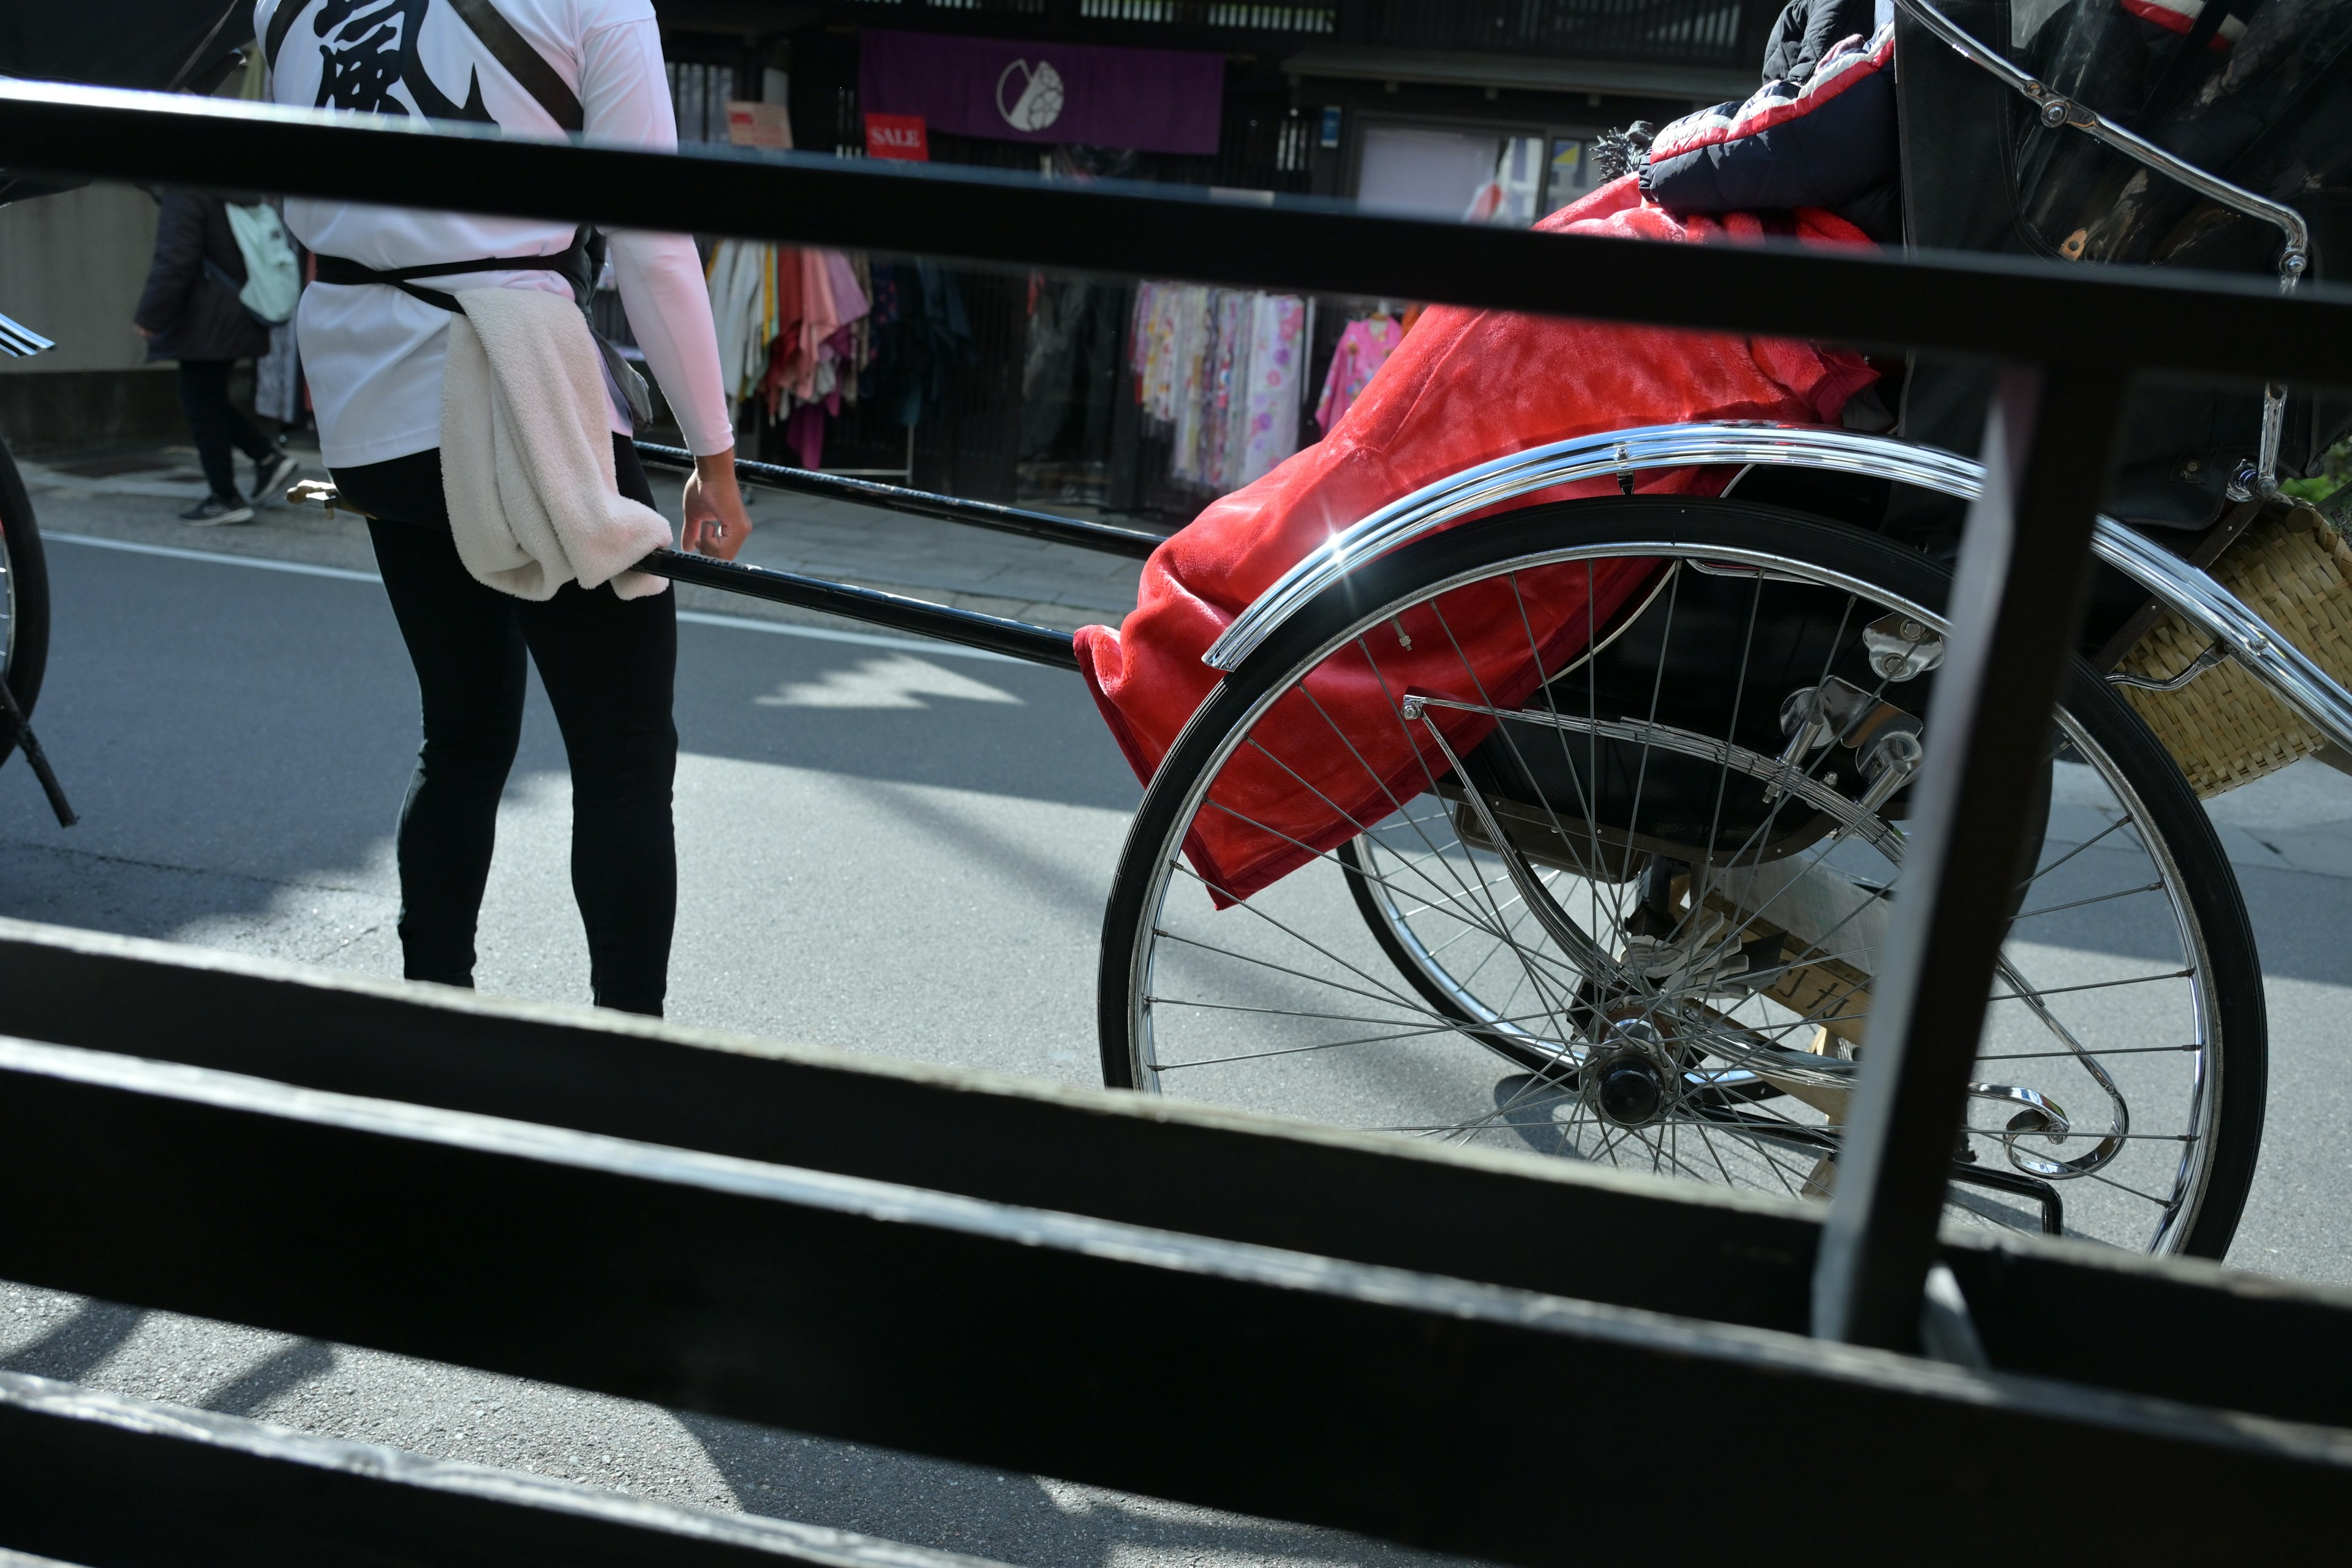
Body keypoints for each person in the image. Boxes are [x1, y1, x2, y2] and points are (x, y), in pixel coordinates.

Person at [257, 0, 751, 1017]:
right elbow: (650, 242)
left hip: (370, 409)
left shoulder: (286, 3)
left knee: (464, 733)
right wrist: (715, 454)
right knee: (623, 758)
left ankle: (435, 1022)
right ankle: (624, 1058)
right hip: (514, 393)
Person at [133, 192, 302, 525]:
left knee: (200, 403)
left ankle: (225, 496)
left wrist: (150, 317)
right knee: (206, 399)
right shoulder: (228, 193)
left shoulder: (186, 196)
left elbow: (175, 260)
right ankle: (266, 457)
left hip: (206, 318)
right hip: (233, 311)